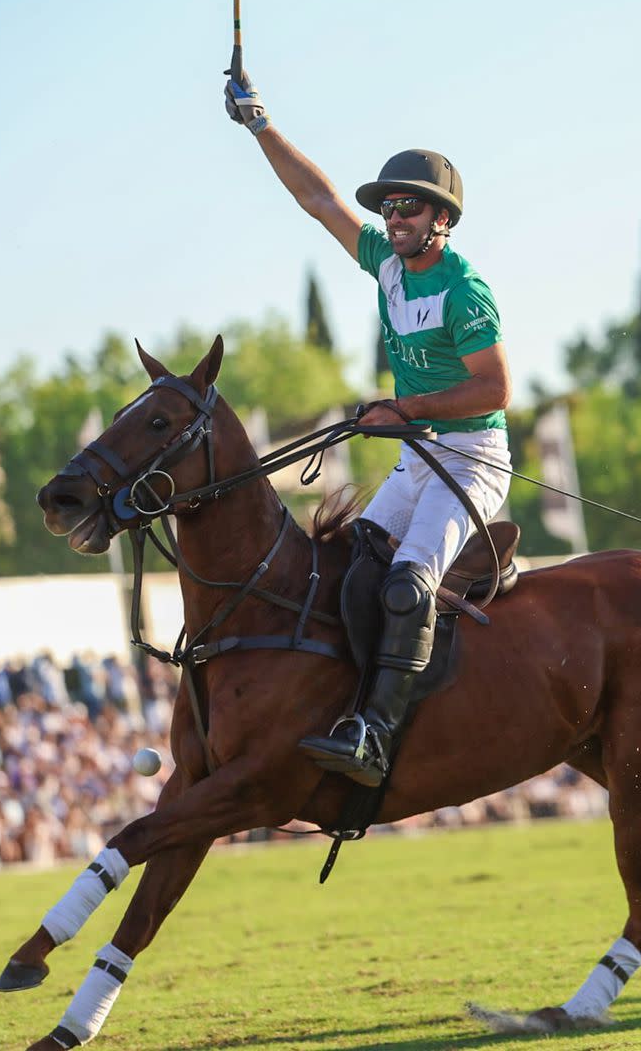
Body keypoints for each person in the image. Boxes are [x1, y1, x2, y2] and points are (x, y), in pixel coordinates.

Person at [225, 72, 513, 787]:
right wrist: (261, 124)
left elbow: (495, 388)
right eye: (388, 208)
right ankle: (347, 708)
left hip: (473, 459)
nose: (393, 219)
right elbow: (316, 198)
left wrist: (403, 410)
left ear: (441, 218)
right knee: (352, 570)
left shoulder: (465, 289)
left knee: (408, 585)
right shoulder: (386, 265)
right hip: (419, 459)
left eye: (407, 207)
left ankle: (377, 737)